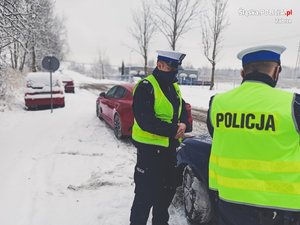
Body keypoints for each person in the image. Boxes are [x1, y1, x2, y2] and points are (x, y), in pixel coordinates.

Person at [207, 45, 300, 225]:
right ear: (276, 71)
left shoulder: (218, 102)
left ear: (243, 73)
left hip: (231, 202)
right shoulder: (293, 104)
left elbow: (218, 136)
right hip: (281, 207)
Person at [130, 50, 191, 225]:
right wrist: (174, 130)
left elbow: (183, 109)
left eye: (176, 67)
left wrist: (184, 124)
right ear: (160, 65)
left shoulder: (173, 86)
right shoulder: (146, 86)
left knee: (164, 198)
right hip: (149, 154)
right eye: (171, 67)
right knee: (144, 199)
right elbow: (145, 120)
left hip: (169, 152)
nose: (174, 71)